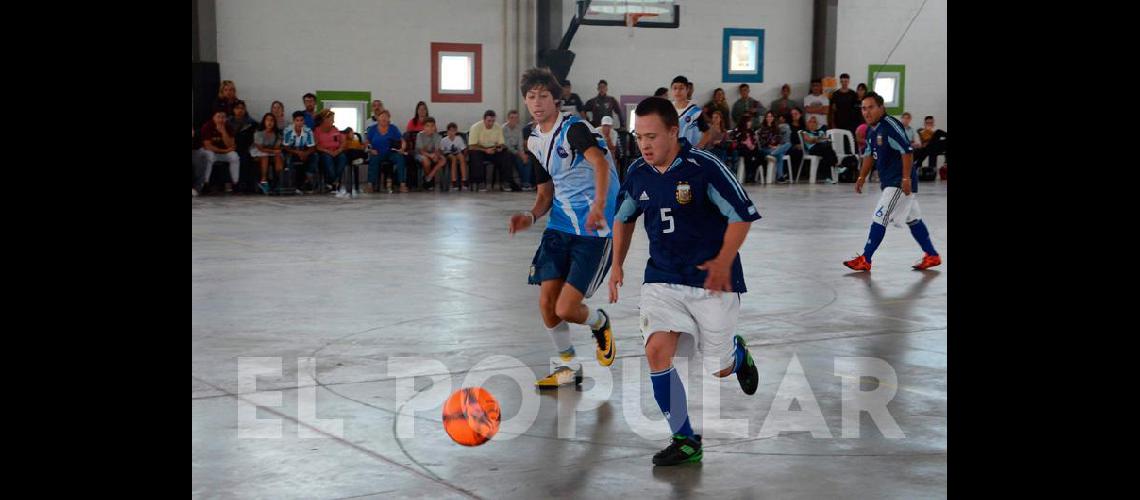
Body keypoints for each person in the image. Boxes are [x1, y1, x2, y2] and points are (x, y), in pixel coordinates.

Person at [608, 97, 761, 466]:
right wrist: (617, 266)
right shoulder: (638, 173)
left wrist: (724, 262)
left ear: (674, 132)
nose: (644, 145)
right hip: (661, 278)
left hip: (713, 282)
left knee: (717, 367)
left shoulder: (705, 168)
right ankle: (686, 439)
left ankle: (736, 356)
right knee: (656, 351)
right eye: (639, 136)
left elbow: (742, 216)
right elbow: (624, 218)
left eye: (652, 136)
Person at [506, 67, 620, 389]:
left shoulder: (573, 129)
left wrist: (598, 205)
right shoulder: (533, 139)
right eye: (531, 97)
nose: (537, 102)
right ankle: (568, 366)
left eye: (544, 95)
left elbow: (599, 161)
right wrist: (529, 217)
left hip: (594, 230)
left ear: (557, 99)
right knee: (546, 303)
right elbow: (545, 193)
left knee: (567, 308)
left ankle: (599, 322)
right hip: (559, 225)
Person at [843, 93, 941, 272]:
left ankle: (866, 258)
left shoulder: (890, 126)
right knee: (913, 218)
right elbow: (868, 156)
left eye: (871, 107)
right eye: (864, 108)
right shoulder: (872, 129)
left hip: (899, 182)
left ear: (881, 108)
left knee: (879, 217)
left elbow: (907, 151)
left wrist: (905, 178)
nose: (867, 112)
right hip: (891, 180)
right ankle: (932, 255)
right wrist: (861, 177)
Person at [670, 75, 706, 147]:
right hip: (672, 152)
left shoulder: (695, 112)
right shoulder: (668, 109)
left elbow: (707, 132)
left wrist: (698, 148)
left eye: (681, 88)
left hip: (689, 154)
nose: (677, 91)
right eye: (675, 88)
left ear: (687, 90)